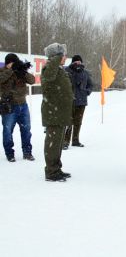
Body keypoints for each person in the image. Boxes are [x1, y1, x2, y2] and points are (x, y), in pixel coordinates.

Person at [41, 43, 73, 182]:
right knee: (52, 143)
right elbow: (49, 77)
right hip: (53, 113)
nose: (65, 57)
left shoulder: (58, 69)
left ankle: (56, 168)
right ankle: (51, 172)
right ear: (57, 56)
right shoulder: (49, 68)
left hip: (60, 113)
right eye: (63, 55)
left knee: (58, 143)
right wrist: (56, 57)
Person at [0, 53, 36, 162]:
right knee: (7, 132)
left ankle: (27, 152)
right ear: (7, 63)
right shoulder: (2, 71)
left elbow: (32, 80)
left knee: (26, 130)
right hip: (8, 106)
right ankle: (9, 154)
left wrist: (23, 70)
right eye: (12, 62)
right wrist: (11, 70)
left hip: (23, 105)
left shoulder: (20, 71)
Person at [63, 55, 93, 149]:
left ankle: (75, 140)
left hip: (82, 101)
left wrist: (87, 92)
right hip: (70, 101)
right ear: (72, 62)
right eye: (76, 62)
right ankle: (65, 141)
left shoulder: (85, 72)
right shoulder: (67, 71)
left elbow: (90, 85)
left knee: (78, 122)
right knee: (68, 122)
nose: (78, 63)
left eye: (79, 62)